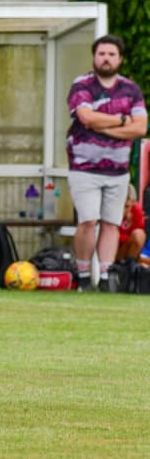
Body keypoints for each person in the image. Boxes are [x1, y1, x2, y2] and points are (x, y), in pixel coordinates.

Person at [65, 34, 147, 291]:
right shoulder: (82, 85)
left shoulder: (131, 90)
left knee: (111, 223)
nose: (106, 58)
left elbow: (141, 127)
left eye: (112, 54)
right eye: (102, 54)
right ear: (94, 57)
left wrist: (106, 127)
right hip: (85, 168)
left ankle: (105, 277)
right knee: (88, 221)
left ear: (120, 59)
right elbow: (86, 117)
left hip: (118, 170)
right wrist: (122, 121)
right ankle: (82, 275)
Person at [115, 185, 146, 262]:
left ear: (133, 203)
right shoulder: (112, 211)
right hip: (112, 252)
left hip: (127, 249)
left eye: (127, 206)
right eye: (120, 205)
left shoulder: (136, 210)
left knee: (139, 234)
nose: (123, 210)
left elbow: (140, 237)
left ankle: (129, 265)